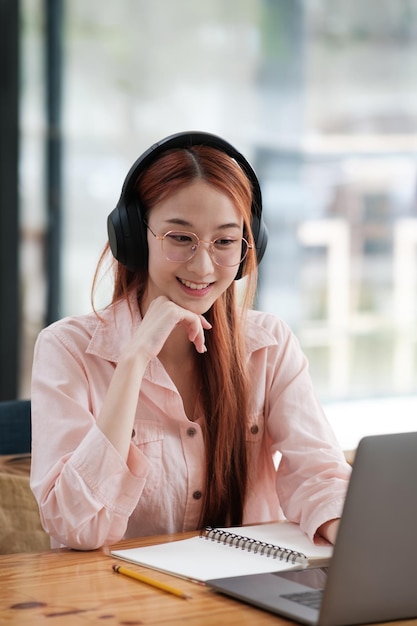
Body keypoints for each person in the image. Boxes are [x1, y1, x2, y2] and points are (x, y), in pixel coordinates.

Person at [30, 131, 351, 551]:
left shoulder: (268, 345)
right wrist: (133, 362)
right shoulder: (67, 350)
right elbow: (76, 528)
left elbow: (319, 475)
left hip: (246, 594)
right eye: (180, 238)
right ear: (133, 235)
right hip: (122, 602)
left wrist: (354, 538)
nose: (203, 266)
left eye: (224, 241)